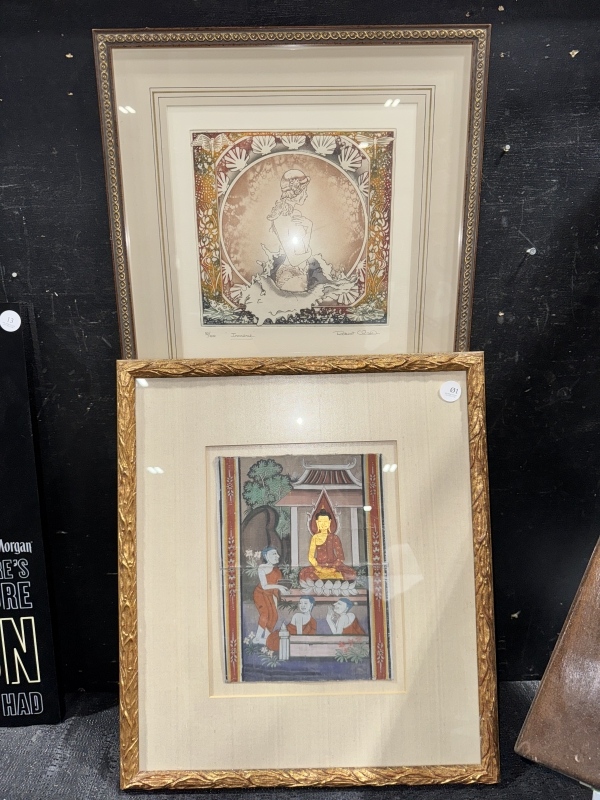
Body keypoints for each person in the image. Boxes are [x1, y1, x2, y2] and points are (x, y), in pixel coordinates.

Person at [267, 169, 329, 293]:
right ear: (296, 192)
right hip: (289, 274)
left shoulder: (296, 214)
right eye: (304, 191)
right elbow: (294, 260)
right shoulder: (281, 218)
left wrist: (309, 228)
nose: (306, 195)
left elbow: (302, 247)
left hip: (302, 271)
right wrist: (310, 253)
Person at [299, 510, 357, 582]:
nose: (323, 524)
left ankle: (324, 578)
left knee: (351, 573)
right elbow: (311, 557)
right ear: (317, 522)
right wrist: (319, 569)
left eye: (325, 521)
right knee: (304, 573)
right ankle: (329, 578)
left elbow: (341, 557)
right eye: (321, 522)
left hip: (334, 566)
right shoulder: (315, 537)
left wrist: (332, 568)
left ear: (329, 522)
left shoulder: (334, 537)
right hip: (319, 566)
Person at [253, 546, 289, 645]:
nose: (277, 556)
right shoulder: (262, 567)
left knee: (274, 616)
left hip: (270, 595)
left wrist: (275, 605)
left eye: (277, 554)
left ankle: (266, 639)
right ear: (266, 556)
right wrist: (279, 587)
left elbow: (275, 591)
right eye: (274, 554)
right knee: (265, 614)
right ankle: (257, 637)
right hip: (260, 593)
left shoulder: (277, 571)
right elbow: (264, 586)